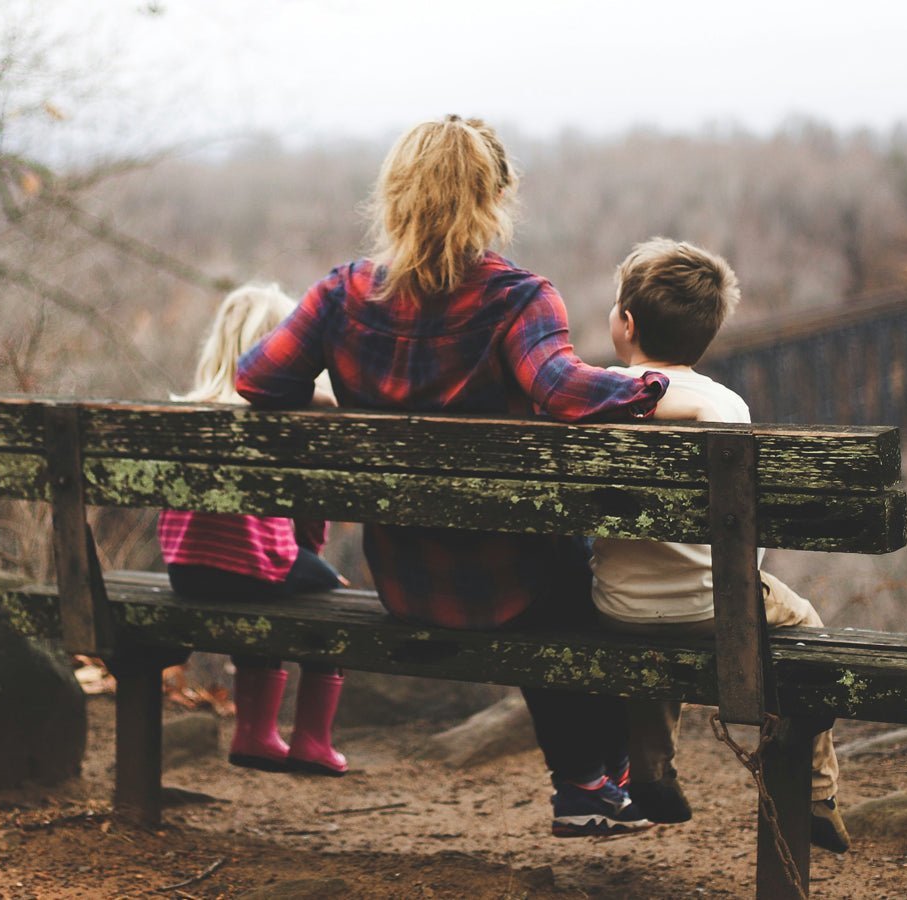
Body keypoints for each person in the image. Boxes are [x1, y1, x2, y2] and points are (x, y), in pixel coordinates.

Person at [236, 116, 700, 837]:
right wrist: (653, 389)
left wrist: (327, 397)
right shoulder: (517, 298)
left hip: (404, 580)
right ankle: (592, 783)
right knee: (582, 578)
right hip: (513, 585)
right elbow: (565, 391)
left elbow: (255, 380)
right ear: (493, 198)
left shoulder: (340, 295)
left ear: (393, 196)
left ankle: (592, 783)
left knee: (559, 568)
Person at [589, 237, 851, 852]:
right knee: (805, 624)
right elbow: (746, 535)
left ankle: (651, 771)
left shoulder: (594, 396)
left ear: (626, 324)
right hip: (715, 607)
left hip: (617, 607)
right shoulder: (726, 405)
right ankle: (816, 791)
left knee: (654, 614)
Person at [162, 283, 351, 776]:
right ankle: (310, 740)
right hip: (252, 568)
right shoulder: (281, 417)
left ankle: (255, 732)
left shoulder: (187, 412)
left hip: (185, 571)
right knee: (330, 593)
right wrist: (312, 559)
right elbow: (309, 514)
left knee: (266, 583)